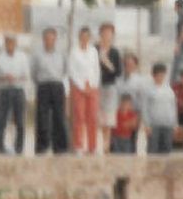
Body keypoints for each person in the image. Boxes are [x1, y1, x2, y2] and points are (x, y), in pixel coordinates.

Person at [0, 33, 31, 152]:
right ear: (5, 44)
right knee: (1, 120)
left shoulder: (22, 57)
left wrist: (15, 77)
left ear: (16, 43)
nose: (10, 45)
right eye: (7, 42)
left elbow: (26, 75)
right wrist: (5, 77)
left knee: (20, 121)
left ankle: (19, 148)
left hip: (18, 90)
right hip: (4, 90)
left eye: (12, 42)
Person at [33, 29, 69, 155]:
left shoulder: (61, 54)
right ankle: (42, 147)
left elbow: (65, 70)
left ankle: (60, 147)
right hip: (43, 86)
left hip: (57, 85)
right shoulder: (37, 55)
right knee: (42, 118)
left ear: (55, 40)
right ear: (43, 40)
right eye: (47, 38)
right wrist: (40, 83)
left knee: (59, 117)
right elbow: (34, 72)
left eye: (52, 38)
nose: (49, 41)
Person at [68, 24, 102, 154]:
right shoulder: (74, 51)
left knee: (92, 117)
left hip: (92, 87)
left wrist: (92, 85)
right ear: (79, 37)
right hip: (78, 87)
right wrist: (82, 85)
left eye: (87, 37)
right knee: (79, 116)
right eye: (82, 37)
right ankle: (78, 145)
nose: (84, 39)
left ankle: (92, 146)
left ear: (90, 38)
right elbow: (72, 71)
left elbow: (96, 69)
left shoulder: (93, 51)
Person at [95, 20, 123, 149]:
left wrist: (107, 62)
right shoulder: (94, 49)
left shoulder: (115, 52)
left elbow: (118, 72)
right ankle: (98, 144)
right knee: (98, 117)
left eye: (109, 33)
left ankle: (107, 146)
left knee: (109, 119)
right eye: (104, 32)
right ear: (100, 34)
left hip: (110, 87)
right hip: (96, 86)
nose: (107, 35)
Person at [143, 62, 176, 153]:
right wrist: (147, 124)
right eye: (158, 75)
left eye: (162, 75)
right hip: (154, 125)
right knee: (153, 151)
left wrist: (174, 123)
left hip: (168, 125)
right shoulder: (148, 89)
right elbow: (145, 108)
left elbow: (173, 107)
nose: (160, 77)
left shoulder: (169, 90)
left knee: (166, 150)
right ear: (153, 75)